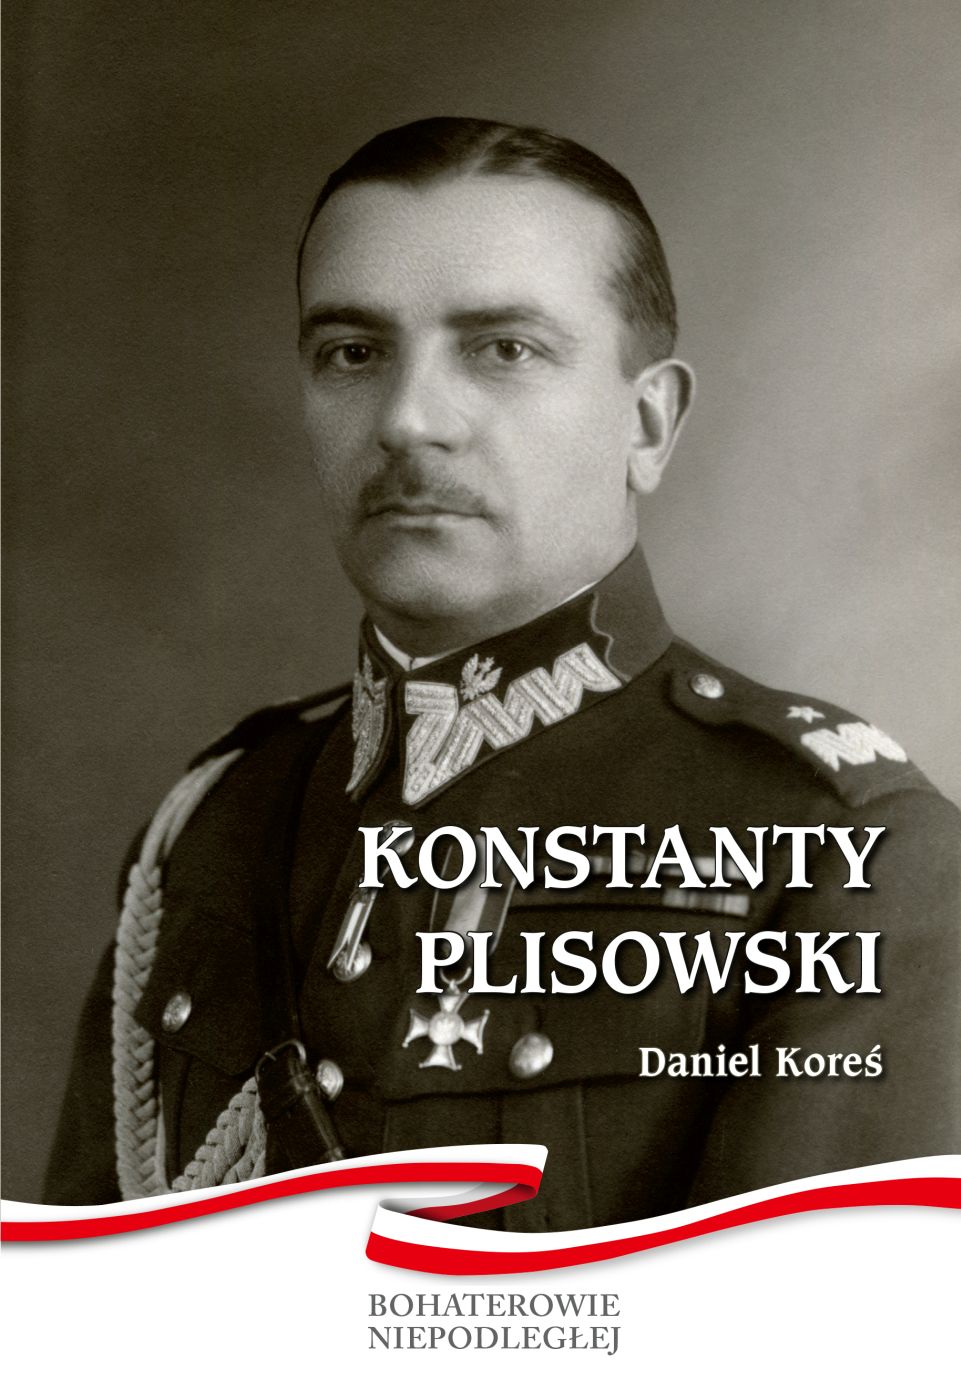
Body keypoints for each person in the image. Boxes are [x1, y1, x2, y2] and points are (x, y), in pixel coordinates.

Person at [46, 117, 961, 1229]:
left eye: (504, 349)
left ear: (648, 423)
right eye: (353, 352)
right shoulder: (216, 825)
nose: (408, 420)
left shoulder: (840, 853)